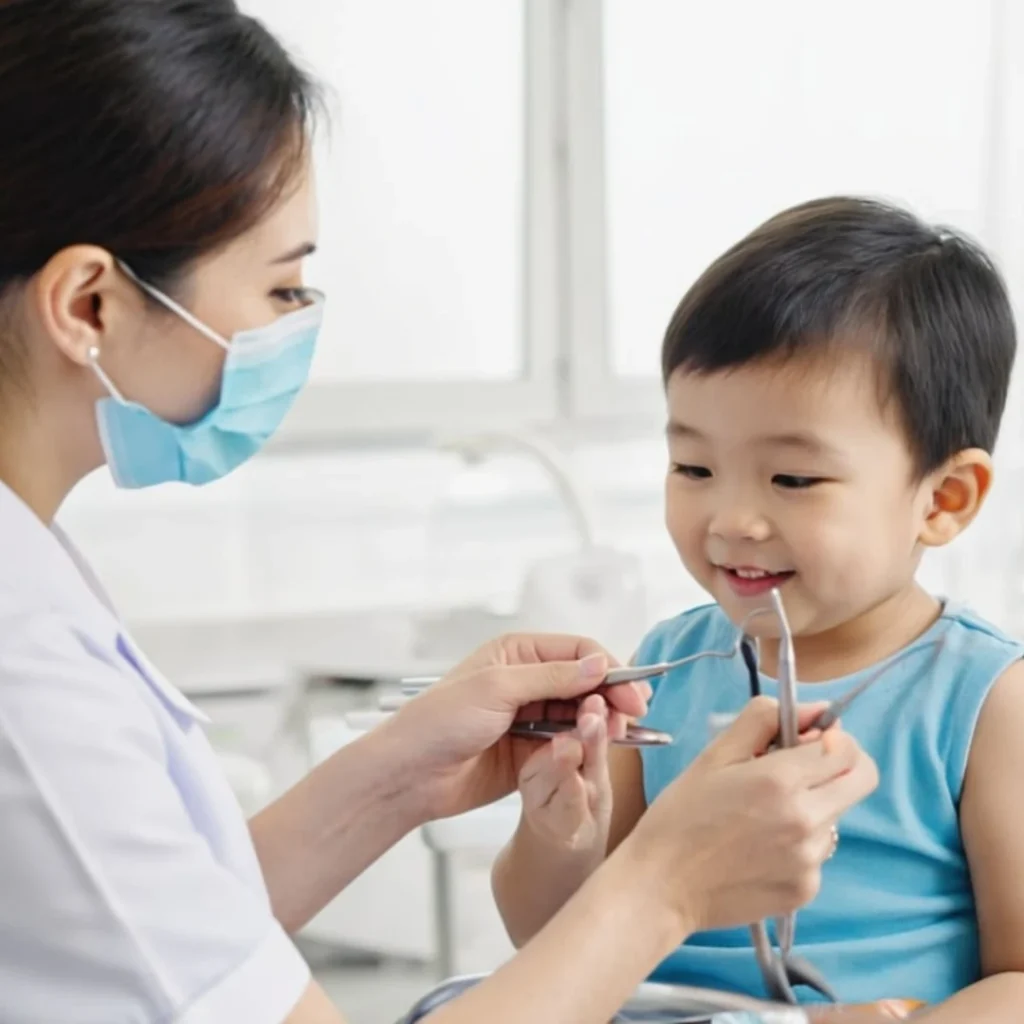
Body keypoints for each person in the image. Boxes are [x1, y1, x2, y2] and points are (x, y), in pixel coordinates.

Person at [0, 3, 881, 1023]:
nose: (735, 522)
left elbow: (161, 926)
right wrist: (665, 883)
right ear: (89, 306)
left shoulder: (33, 567)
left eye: (794, 478)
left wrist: (401, 772)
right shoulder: (24, 665)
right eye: (284, 288)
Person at [493, 196, 1024, 1019]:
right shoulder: (665, 666)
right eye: (694, 469)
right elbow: (548, 939)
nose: (732, 520)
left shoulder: (987, 701)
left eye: (793, 479)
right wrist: (558, 834)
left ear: (944, 498)